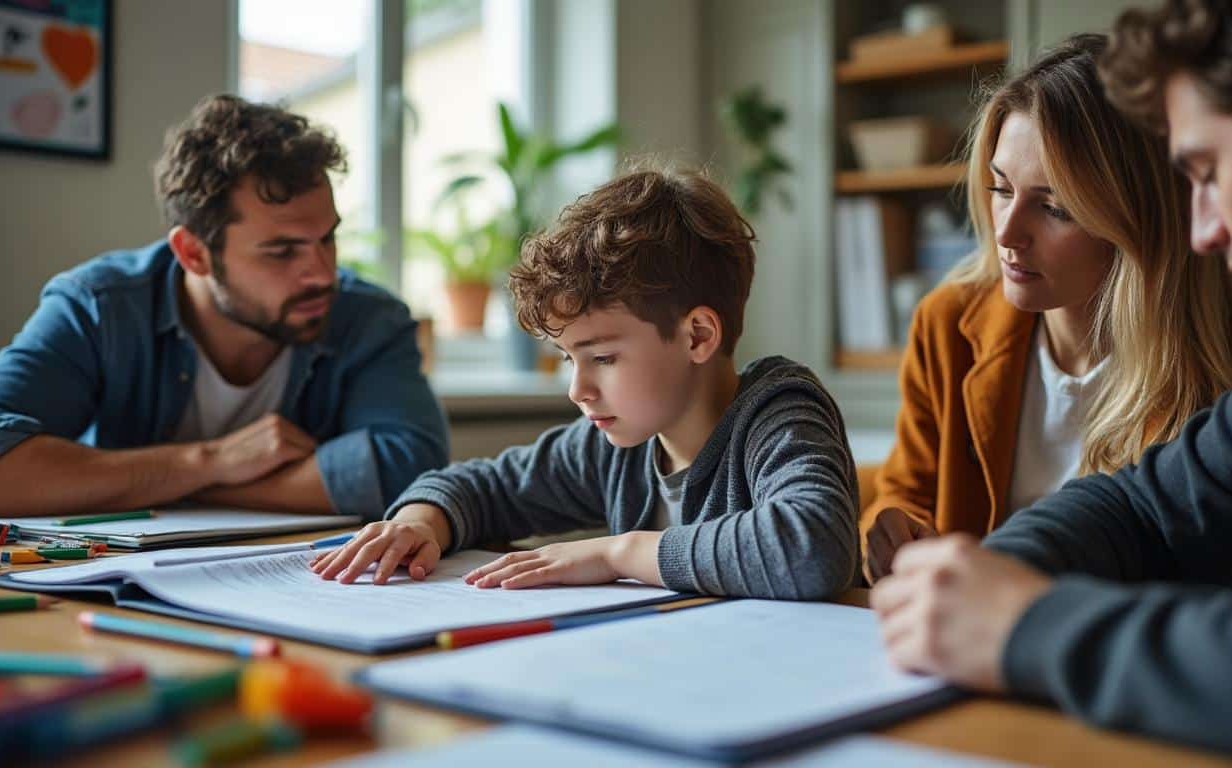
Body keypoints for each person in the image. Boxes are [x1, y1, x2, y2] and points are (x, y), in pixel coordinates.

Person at [873, 2, 1232, 761]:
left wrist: (1029, 625)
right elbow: (1146, 508)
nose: (1201, 231)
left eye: (1208, 172)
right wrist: (996, 572)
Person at [312, 168, 860, 599]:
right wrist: (419, 522)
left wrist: (619, 554)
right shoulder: (617, 446)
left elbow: (812, 547)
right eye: (568, 358)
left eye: (601, 356)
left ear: (696, 335)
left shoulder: (779, 409)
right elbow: (486, 487)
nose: (578, 389)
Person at [861, 34, 1232, 585]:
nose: (1006, 232)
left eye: (1054, 207)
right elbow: (905, 493)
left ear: (1137, 223)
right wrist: (895, 532)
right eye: (1001, 188)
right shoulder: (947, 325)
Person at [0, 95, 448, 520]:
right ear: (194, 253)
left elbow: (410, 468)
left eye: (327, 237)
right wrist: (210, 461)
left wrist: (178, 484)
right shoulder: (99, 308)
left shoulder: (369, 319)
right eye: (282, 251)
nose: (323, 274)